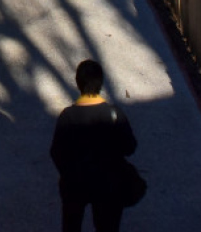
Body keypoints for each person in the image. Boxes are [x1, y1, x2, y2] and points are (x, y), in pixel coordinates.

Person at [50, 59, 138, 232]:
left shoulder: (68, 116)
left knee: (71, 226)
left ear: (78, 83)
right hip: (108, 184)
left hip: (75, 184)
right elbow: (130, 147)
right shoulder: (114, 114)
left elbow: (56, 152)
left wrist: (68, 174)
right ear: (101, 83)